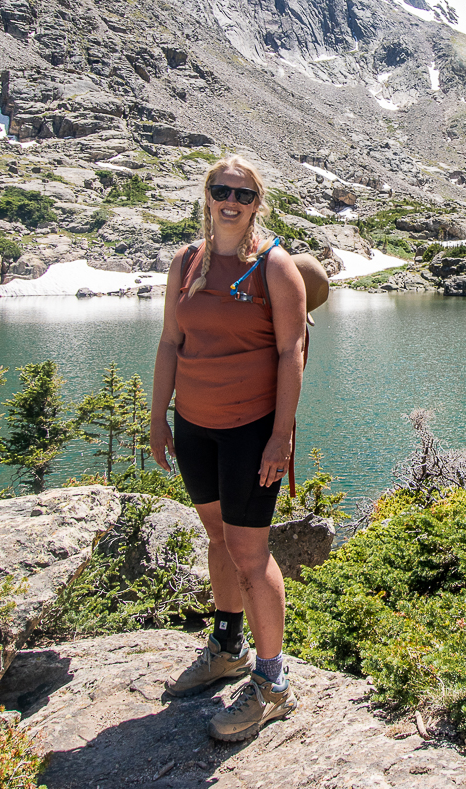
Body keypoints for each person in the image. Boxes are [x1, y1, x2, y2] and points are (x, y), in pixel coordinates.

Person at [150, 154, 308, 741]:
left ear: (256, 203)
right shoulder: (185, 264)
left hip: (249, 431)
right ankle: (227, 647)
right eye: (222, 190)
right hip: (194, 426)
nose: (231, 201)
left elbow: (290, 354)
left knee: (249, 553)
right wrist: (158, 417)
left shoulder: (274, 266)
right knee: (217, 537)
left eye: (243, 194)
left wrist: (279, 437)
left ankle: (273, 683)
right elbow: (170, 340)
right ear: (208, 196)